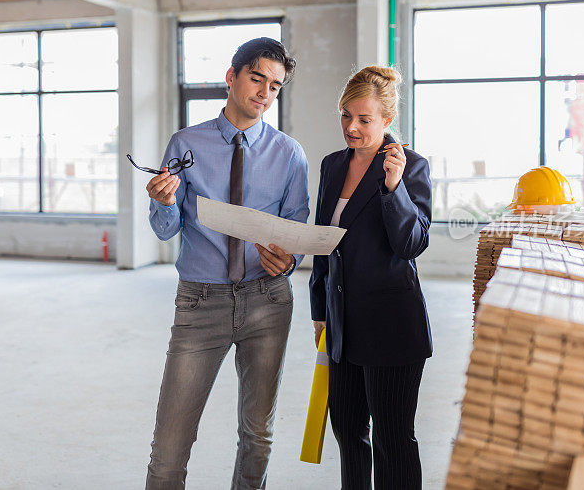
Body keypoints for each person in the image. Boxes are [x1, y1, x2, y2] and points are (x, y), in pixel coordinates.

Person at [144, 37, 309, 490]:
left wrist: (287, 259)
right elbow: (165, 229)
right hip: (201, 302)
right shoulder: (186, 142)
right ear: (232, 76)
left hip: (267, 302)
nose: (265, 92)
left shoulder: (289, 154)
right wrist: (162, 201)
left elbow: (295, 228)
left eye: (275, 86)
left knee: (257, 435)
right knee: (170, 446)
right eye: (257, 78)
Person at [309, 65, 432, 489]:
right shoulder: (331, 166)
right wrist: (319, 309)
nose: (352, 127)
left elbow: (411, 244)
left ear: (387, 121)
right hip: (342, 322)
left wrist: (394, 188)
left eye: (364, 119)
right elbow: (326, 241)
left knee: (393, 438)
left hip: (391, 322)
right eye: (346, 115)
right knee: (348, 431)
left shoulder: (410, 166)